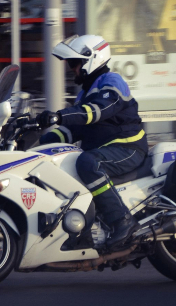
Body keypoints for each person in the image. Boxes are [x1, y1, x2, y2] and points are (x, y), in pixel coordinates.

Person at [36, 34, 148, 249]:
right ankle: (82, 233)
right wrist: (37, 144)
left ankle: (122, 221)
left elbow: (98, 110)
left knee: (88, 163)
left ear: (91, 59)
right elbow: (71, 130)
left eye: (74, 63)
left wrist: (59, 116)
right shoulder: (84, 94)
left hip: (127, 147)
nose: (71, 68)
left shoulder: (112, 81)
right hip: (105, 150)